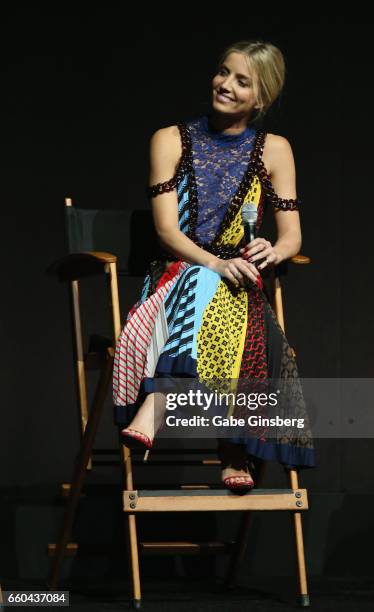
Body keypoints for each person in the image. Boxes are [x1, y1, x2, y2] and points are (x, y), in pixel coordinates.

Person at [113, 39, 316, 492]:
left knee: (235, 294)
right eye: (223, 72)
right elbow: (167, 232)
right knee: (210, 279)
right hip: (173, 279)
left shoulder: (275, 149)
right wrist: (215, 264)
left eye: (241, 81)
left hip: (239, 286)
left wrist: (273, 252)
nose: (224, 84)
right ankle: (232, 445)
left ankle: (162, 402)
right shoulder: (169, 140)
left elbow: (292, 236)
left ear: (260, 97)